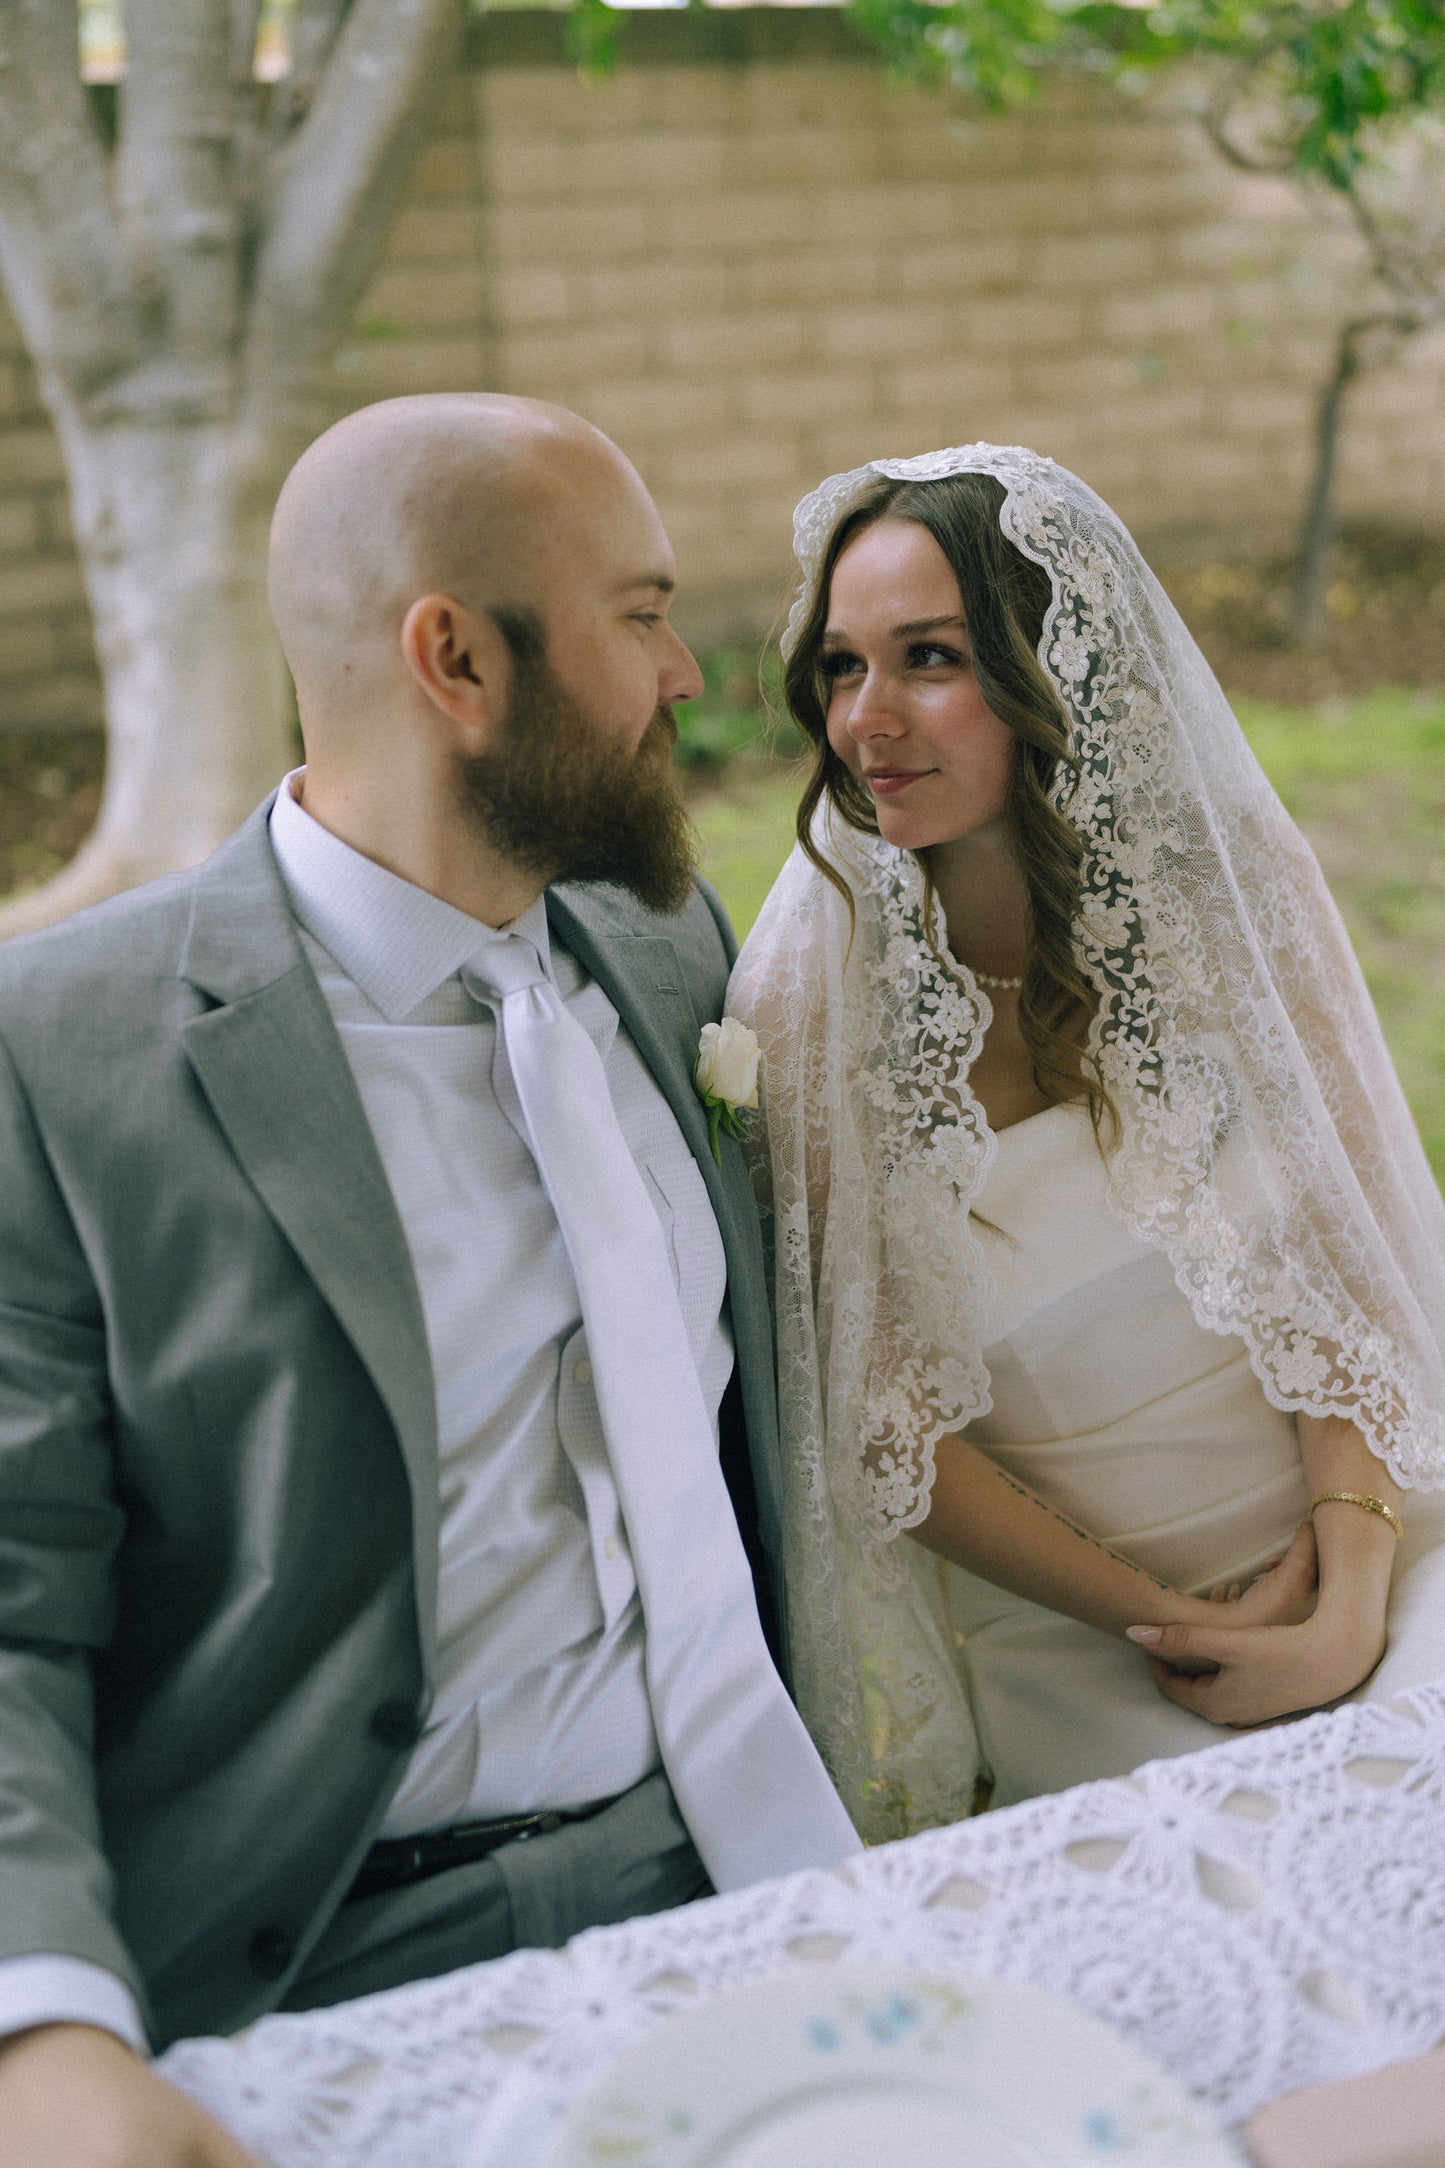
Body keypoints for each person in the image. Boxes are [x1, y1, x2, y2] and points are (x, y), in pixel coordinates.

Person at [0, 394, 860, 2167]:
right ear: (454, 658)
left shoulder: (660, 941)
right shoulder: (57, 1054)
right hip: (317, 1950)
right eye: (638, 615)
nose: (687, 674)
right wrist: (45, 2038)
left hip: (731, 1868)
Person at [729, 443, 1445, 1842]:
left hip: (1374, 1527)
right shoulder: (808, 1003)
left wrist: (1348, 1600)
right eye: (839, 667)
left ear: (1048, 672)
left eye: (928, 657)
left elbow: (1349, 1253)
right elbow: (881, 1429)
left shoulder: (1230, 898)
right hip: (1091, 1643)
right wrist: (1172, 1626)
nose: (866, 718)